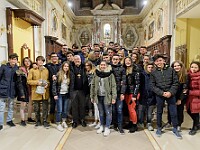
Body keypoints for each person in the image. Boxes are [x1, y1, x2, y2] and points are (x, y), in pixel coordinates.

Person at [150, 54, 182, 139]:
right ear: (155, 63)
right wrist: (162, 93)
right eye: (157, 61)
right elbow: (152, 86)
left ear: (164, 61)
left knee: (173, 112)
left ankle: (175, 128)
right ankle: (159, 128)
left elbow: (175, 83)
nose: (159, 62)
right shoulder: (153, 72)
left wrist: (170, 92)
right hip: (160, 94)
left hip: (170, 94)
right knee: (159, 111)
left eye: (160, 60)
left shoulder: (171, 70)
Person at [90, 61, 117, 136]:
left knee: (108, 112)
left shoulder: (110, 74)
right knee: (101, 113)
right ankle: (102, 126)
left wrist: (114, 97)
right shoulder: (96, 73)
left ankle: (107, 127)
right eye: (101, 65)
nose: (102, 66)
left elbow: (113, 86)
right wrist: (92, 96)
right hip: (98, 96)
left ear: (106, 66)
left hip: (107, 97)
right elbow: (93, 85)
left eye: (104, 65)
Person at [163, 61, 188, 131]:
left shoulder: (185, 75)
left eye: (178, 65)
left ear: (181, 66)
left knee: (179, 110)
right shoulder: (171, 74)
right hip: (172, 95)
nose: (176, 67)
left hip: (180, 96)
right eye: (175, 66)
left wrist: (180, 99)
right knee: (170, 110)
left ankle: (178, 124)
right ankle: (169, 122)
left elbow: (185, 89)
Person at [27, 56, 50, 129]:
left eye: (42, 61)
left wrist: (47, 84)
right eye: (38, 60)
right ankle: (38, 121)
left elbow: (48, 80)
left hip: (44, 92)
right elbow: (29, 81)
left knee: (45, 108)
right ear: (36, 61)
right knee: (36, 108)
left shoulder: (46, 70)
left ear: (43, 62)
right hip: (36, 92)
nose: (40, 62)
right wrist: (37, 82)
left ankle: (45, 121)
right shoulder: (32, 70)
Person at [0, 53, 18, 130]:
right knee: (1, 108)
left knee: (11, 106)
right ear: (9, 59)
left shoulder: (17, 68)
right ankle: (0, 123)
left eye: (15, 59)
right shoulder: (3, 67)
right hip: (3, 89)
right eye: (12, 59)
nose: (14, 61)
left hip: (12, 90)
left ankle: (9, 120)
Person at [70, 55, 89, 128]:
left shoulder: (84, 67)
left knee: (82, 106)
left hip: (82, 90)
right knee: (74, 107)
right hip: (74, 90)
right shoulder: (71, 67)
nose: (77, 60)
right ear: (73, 60)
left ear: (81, 59)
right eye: (75, 59)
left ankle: (82, 120)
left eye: (78, 59)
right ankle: (75, 121)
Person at [52, 61, 71, 132]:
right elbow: (54, 85)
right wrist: (55, 94)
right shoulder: (58, 74)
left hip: (66, 94)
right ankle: (58, 123)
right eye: (65, 66)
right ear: (62, 67)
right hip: (59, 94)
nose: (66, 67)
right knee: (59, 110)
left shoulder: (69, 75)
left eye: (67, 66)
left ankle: (63, 121)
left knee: (65, 109)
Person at [123, 57, 140, 133]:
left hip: (133, 93)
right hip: (127, 92)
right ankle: (130, 122)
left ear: (131, 61)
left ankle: (134, 125)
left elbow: (138, 83)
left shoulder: (135, 70)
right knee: (129, 109)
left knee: (132, 109)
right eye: (126, 61)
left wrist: (134, 95)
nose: (127, 62)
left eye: (129, 60)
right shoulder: (125, 70)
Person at [111, 54, 126, 134]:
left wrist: (122, 93)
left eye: (117, 59)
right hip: (111, 93)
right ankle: (114, 124)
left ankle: (120, 126)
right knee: (113, 110)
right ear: (112, 59)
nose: (115, 60)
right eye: (114, 59)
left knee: (119, 110)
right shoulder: (109, 68)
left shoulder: (122, 69)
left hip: (119, 92)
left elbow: (124, 82)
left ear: (119, 60)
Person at [138, 62, 156, 131]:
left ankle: (149, 123)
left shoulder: (154, 75)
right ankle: (141, 122)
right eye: (149, 67)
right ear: (146, 68)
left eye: (152, 67)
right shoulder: (142, 75)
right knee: (141, 111)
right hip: (143, 96)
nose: (150, 69)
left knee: (149, 112)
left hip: (152, 96)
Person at [16, 57, 34, 126]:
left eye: (28, 61)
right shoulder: (20, 70)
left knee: (30, 105)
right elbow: (19, 82)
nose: (27, 62)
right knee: (23, 105)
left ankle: (29, 117)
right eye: (25, 61)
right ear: (23, 62)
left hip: (30, 90)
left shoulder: (32, 70)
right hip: (23, 89)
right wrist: (21, 92)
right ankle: (22, 120)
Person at [45, 52, 61, 123]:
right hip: (51, 86)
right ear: (51, 58)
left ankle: (59, 118)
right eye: (53, 56)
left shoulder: (60, 66)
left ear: (58, 58)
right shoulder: (47, 66)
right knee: (52, 104)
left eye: (56, 56)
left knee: (59, 104)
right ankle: (51, 118)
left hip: (60, 87)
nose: (54, 58)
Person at [85, 61, 100, 129]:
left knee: (98, 108)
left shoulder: (94, 72)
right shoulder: (88, 73)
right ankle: (96, 121)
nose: (86, 67)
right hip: (91, 92)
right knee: (95, 107)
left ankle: (100, 122)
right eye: (86, 66)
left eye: (88, 65)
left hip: (96, 92)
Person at [186, 61, 200, 135]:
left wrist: (190, 92)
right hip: (190, 98)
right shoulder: (189, 75)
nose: (193, 69)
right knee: (188, 111)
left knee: (195, 113)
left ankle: (195, 127)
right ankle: (197, 124)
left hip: (196, 98)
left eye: (195, 67)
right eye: (192, 67)